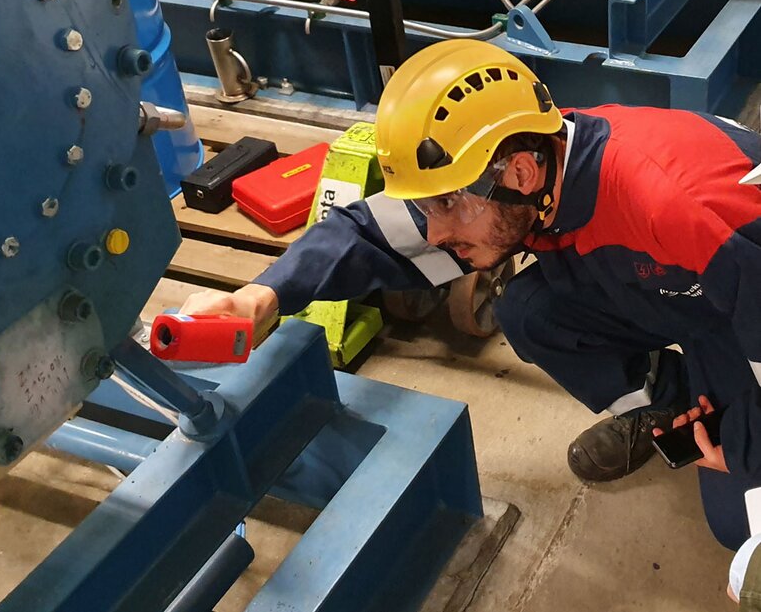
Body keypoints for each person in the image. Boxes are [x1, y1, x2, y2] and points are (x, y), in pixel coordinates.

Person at [181, 39, 761, 550]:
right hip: (678, 289)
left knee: (743, 531)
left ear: (522, 175)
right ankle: (670, 401)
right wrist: (263, 297)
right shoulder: (519, 168)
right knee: (530, 311)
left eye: (447, 207)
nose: (434, 232)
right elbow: (366, 232)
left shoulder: (680, 205)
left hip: (741, 303)